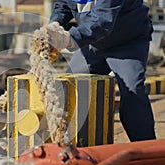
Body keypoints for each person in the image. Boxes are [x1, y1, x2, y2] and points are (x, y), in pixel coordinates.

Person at [44, 0, 156, 141]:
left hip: (127, 43)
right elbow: (64, 5)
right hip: (92, 42)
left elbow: (103, 21)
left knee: (132, 90)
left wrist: (70, 38)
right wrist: (55, 23)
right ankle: (75, 144)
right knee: (70, 87)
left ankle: (146, 148)